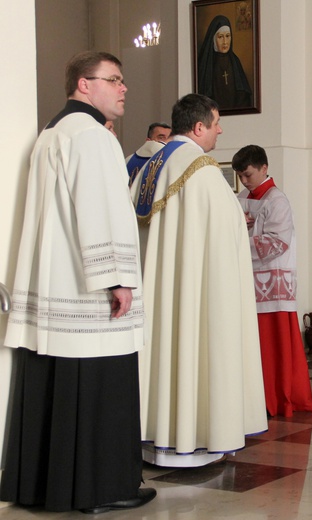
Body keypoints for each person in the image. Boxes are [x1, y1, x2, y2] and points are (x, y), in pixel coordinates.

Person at [0, 51, 155, 514]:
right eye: (115, 79)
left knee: (58, 383)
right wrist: (118, 278)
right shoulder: (93, 135)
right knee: (102, 385)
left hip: (56, 285)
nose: (124, 88)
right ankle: (103, 488)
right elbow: (99, 209)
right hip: (87, 291)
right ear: (84, 85)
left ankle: (43, 488)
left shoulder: (53, 133)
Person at [130, 94, 267, 467]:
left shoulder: (148, 166)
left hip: (152, 299)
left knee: (160, 352)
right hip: (194, 296)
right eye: (217, 122)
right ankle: (192, 442)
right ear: (199, 127)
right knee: (193, 347)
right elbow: (228, 235)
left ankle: (152, 434)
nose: (221, 130)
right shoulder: (201, 169)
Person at [233, 145, 312, 418]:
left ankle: (279, 399)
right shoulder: (242, 196)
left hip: (273, 284)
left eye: (248, 174)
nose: (244, 182)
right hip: (247, 281)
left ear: (264, 168)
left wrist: (238, 238)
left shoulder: (277, 200)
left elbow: (278, 242)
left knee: (274, 347)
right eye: (241, 177)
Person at [197, 15, 253, 109]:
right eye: (220, 37)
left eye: (227, 36)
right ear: (213, 39)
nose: (225, 42)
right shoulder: (207, 62)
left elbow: (243, 93)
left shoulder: (235, 61)